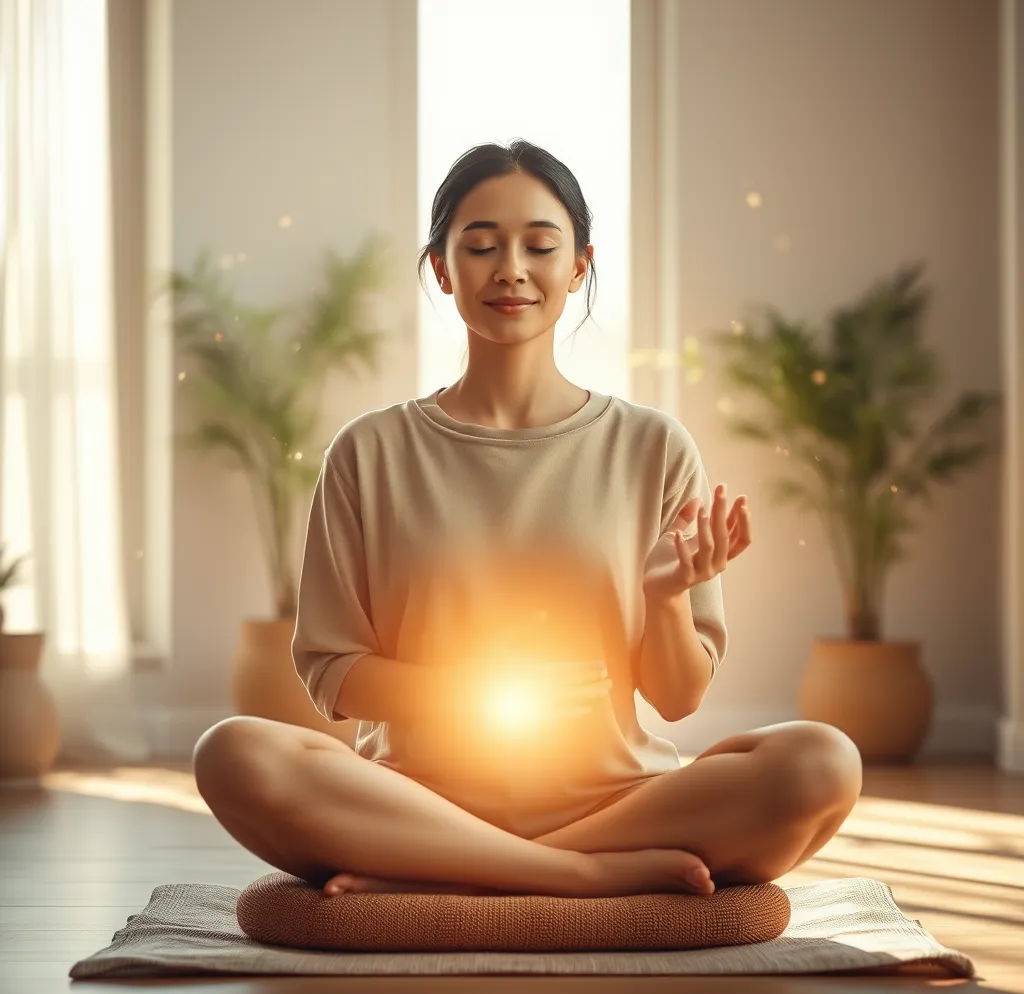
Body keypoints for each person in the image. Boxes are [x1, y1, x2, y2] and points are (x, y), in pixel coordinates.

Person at [194, 140, 862, 901]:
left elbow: (678, 699)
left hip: (616, 803)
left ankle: (463, 872)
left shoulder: (651, 447)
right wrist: (469, 689)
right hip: (413, 804)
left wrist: (666, 594)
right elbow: (333, 676)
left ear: (578, 266)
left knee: (823, 762)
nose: (510, 267)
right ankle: (573, 877)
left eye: (540, 245)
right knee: (232, 753)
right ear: (442, 269)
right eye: (480, 246)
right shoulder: (369, 452)